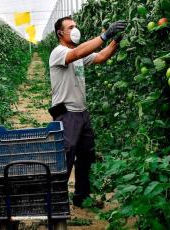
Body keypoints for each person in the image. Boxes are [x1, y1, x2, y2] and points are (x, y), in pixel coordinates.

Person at [49, 16, 126, 207]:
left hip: (82, 113)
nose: (75, 29)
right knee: (65, 158)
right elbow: (77, 54)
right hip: (66, 115)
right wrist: (104, 35)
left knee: (85, 156)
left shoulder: (79, 54)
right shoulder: (59, 53)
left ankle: (82, 197)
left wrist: (116, 41)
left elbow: (100, 56)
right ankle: (56, 200)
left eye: (76, 26)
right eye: (71, 27)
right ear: (61, 33)